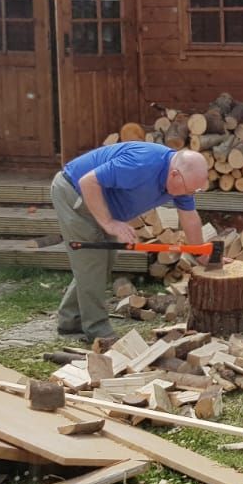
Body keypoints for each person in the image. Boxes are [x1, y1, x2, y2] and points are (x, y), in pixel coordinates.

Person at [49, 143, 210, 340]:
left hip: (100, 203)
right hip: (75, 194)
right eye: (189, 189)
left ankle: (70, 321)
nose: (189, 194)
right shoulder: (141, 163)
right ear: (175, 174)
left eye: (195, 190)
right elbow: (88, 182)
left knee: (101, 262)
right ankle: (98, 331)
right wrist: (108, 222)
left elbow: (190, 217)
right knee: (92, 262)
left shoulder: (182, 184)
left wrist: (202, 254)